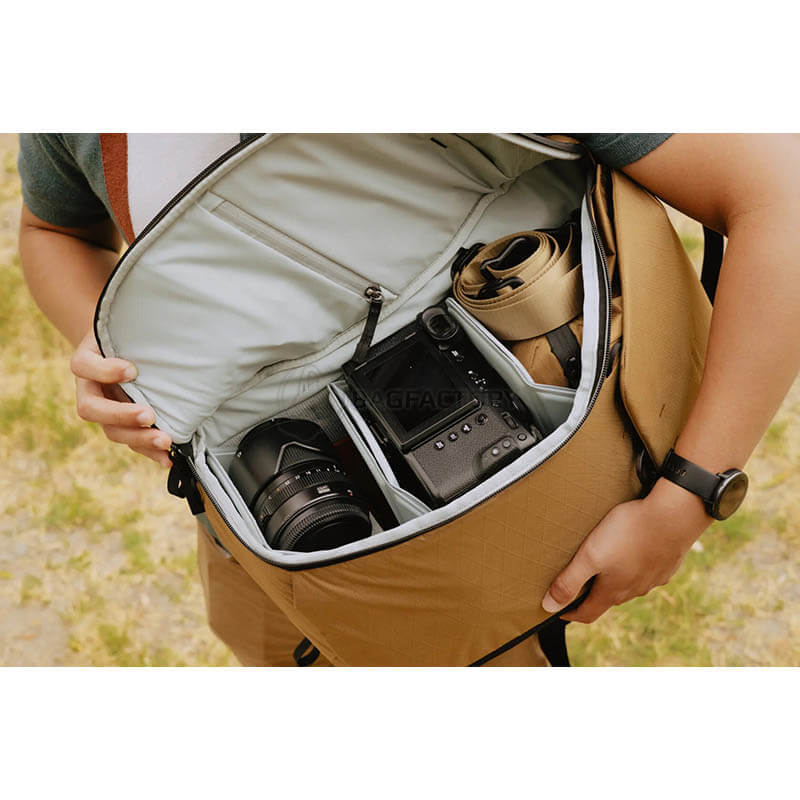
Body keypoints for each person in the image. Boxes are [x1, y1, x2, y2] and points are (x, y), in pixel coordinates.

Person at [16, 133, 800, 666]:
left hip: (526, 523)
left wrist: (689, 495)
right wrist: (109, 349)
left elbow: (778, 197)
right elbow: (54, 231)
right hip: (265, 527)